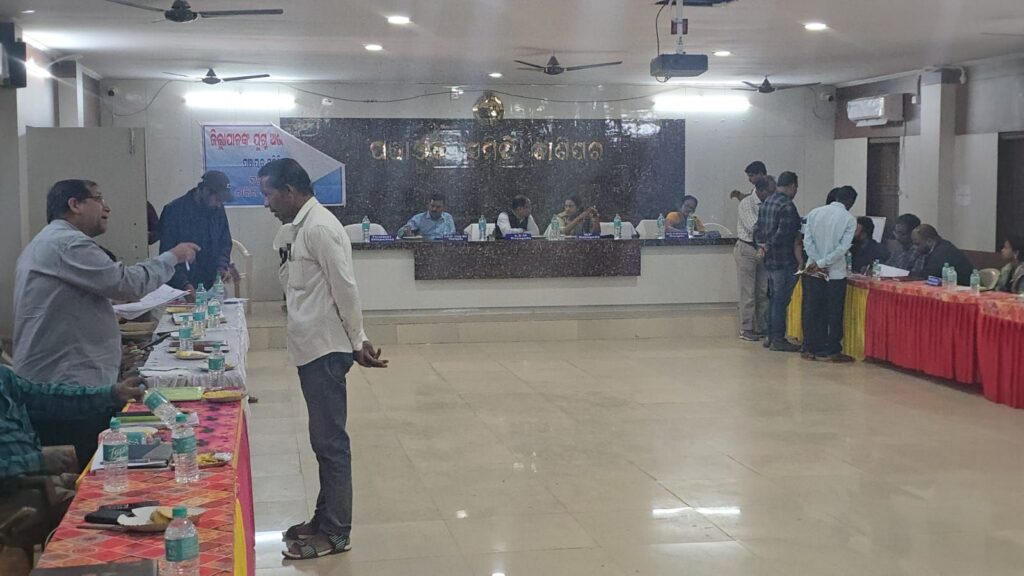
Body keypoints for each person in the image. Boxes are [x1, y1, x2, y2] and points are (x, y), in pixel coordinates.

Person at [13, 180, 198, 466]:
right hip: (67, 389)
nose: (107, 208)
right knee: (87, 469)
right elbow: (127, 283)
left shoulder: (51, 241)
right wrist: (172, 257)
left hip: (65, 383)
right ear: (75, 204)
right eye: (98, 199)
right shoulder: (67, 243)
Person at [259, 158, 387, 560]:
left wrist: (358, 339)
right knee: (322, 442)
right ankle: (323, 518)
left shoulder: (319, 228)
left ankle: (336, 533)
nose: (266, 203)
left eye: (269, 194)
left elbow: (345, 288)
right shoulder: (295, 229)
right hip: (309, 346)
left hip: (326, 349)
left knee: (331, 444)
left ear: (289, 192)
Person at [0, 367, 146, 481]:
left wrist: (113, 393)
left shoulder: (4, 377)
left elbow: (51, 397)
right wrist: (37, 461)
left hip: (36, 480)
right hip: (14, 494)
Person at [800, 187, 858, 362]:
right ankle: (832, 350)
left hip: (813, 271)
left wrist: (818, 262)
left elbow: (807, 242)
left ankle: (809, 348)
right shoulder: (849, 219)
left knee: (811, 309)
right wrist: (824, 263)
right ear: (850, 202)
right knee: (834, 312)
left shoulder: (814, 213)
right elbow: (842, 248)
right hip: (835, 273)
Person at [159, 171, 238, 294]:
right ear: (205, 191)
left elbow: (224, 242)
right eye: (217, 199)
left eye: (222, 201)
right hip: (180, 288)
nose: (219, 205)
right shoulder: (174, 211)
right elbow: (168, 254)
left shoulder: (217, 209)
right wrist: (184, 285)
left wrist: (222, 267)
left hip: (210, 284)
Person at [755, 171, 803, 352]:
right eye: (796, 188)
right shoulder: (787, 206)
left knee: (774, 298)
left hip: (769, 260)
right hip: (785, 260)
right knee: (780, 301)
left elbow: (757, 229)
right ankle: (778, 339)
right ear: (792, 186)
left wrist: (763, 246)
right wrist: (769, 245)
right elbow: (785, 234)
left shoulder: (767, 202)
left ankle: (769, 336)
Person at [735, 164, 774, 341]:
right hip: (748, 249)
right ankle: (746, 328)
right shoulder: (746, 203)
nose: (772, 196)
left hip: (764, 250)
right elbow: (755, 228)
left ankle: (761, 327)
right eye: (769, 193)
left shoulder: (769, 202)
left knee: (762, 291)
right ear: (761, 191)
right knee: (748, 292)